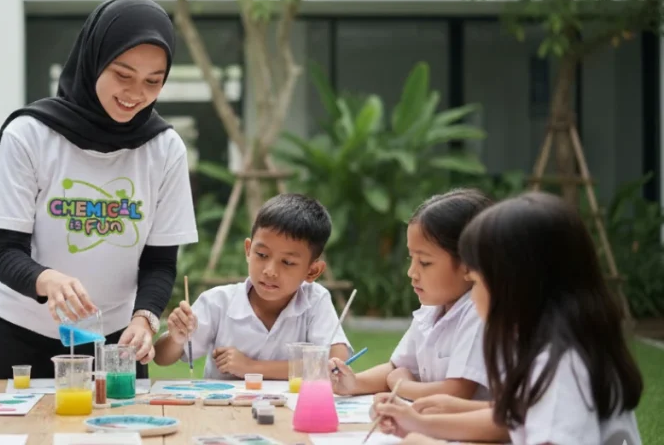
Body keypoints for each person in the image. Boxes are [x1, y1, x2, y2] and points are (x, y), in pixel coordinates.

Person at [0, 0, 199, 380]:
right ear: (94, 60)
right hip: (17, 330)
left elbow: (160, 263)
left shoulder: (164, 148)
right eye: (123, 75)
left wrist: (144, 319)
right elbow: (7, 253)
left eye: (152, 82)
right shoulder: (29, 134)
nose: (135, 93)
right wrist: (48, 279)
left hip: (114, 338)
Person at [372, 192, 644, 445]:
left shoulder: (561, 367)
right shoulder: (551, 349)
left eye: (476, 281)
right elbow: (516, 418)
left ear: (515, 285)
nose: (473, 294)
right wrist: (419, 423)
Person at [154, 193, 351, 379]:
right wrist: (176, 339)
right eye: (262, 255)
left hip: (290, 413)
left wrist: (251, 367)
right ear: (248, 250)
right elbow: (161, 358)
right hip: (223, 412)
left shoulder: (315, 300)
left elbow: (336, 363)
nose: (270, 271)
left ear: (312, 271)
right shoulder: (217, 302)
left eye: (288, 262)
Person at [329, 189, 492, 401]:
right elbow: (397, 367)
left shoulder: (478, 312)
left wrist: (400, 384)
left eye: (424, 262)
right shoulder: (432, 310)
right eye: (411, 259)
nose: (412, 273)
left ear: (469, 264)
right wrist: (353, 383)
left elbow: (455, 392)